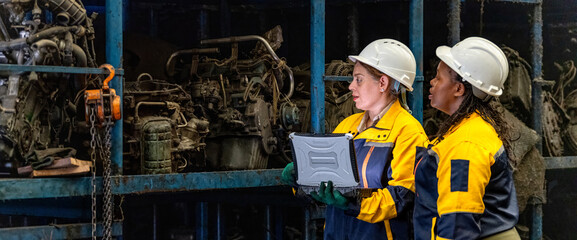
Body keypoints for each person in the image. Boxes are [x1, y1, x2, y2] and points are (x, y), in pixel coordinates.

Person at [282, 39, 429, 239]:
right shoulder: (348, 125)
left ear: (383, 83)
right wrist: (303, 179)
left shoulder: (408, 132)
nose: (351, 86)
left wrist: (354, 203)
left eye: (359, 79)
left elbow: (401, 197)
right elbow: (327, 185)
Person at [414, 36, 520, 240]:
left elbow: (458, 222)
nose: (432, 82)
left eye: (439, 77)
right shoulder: (467, 128)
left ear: (459, 88)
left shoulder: (466, 143)